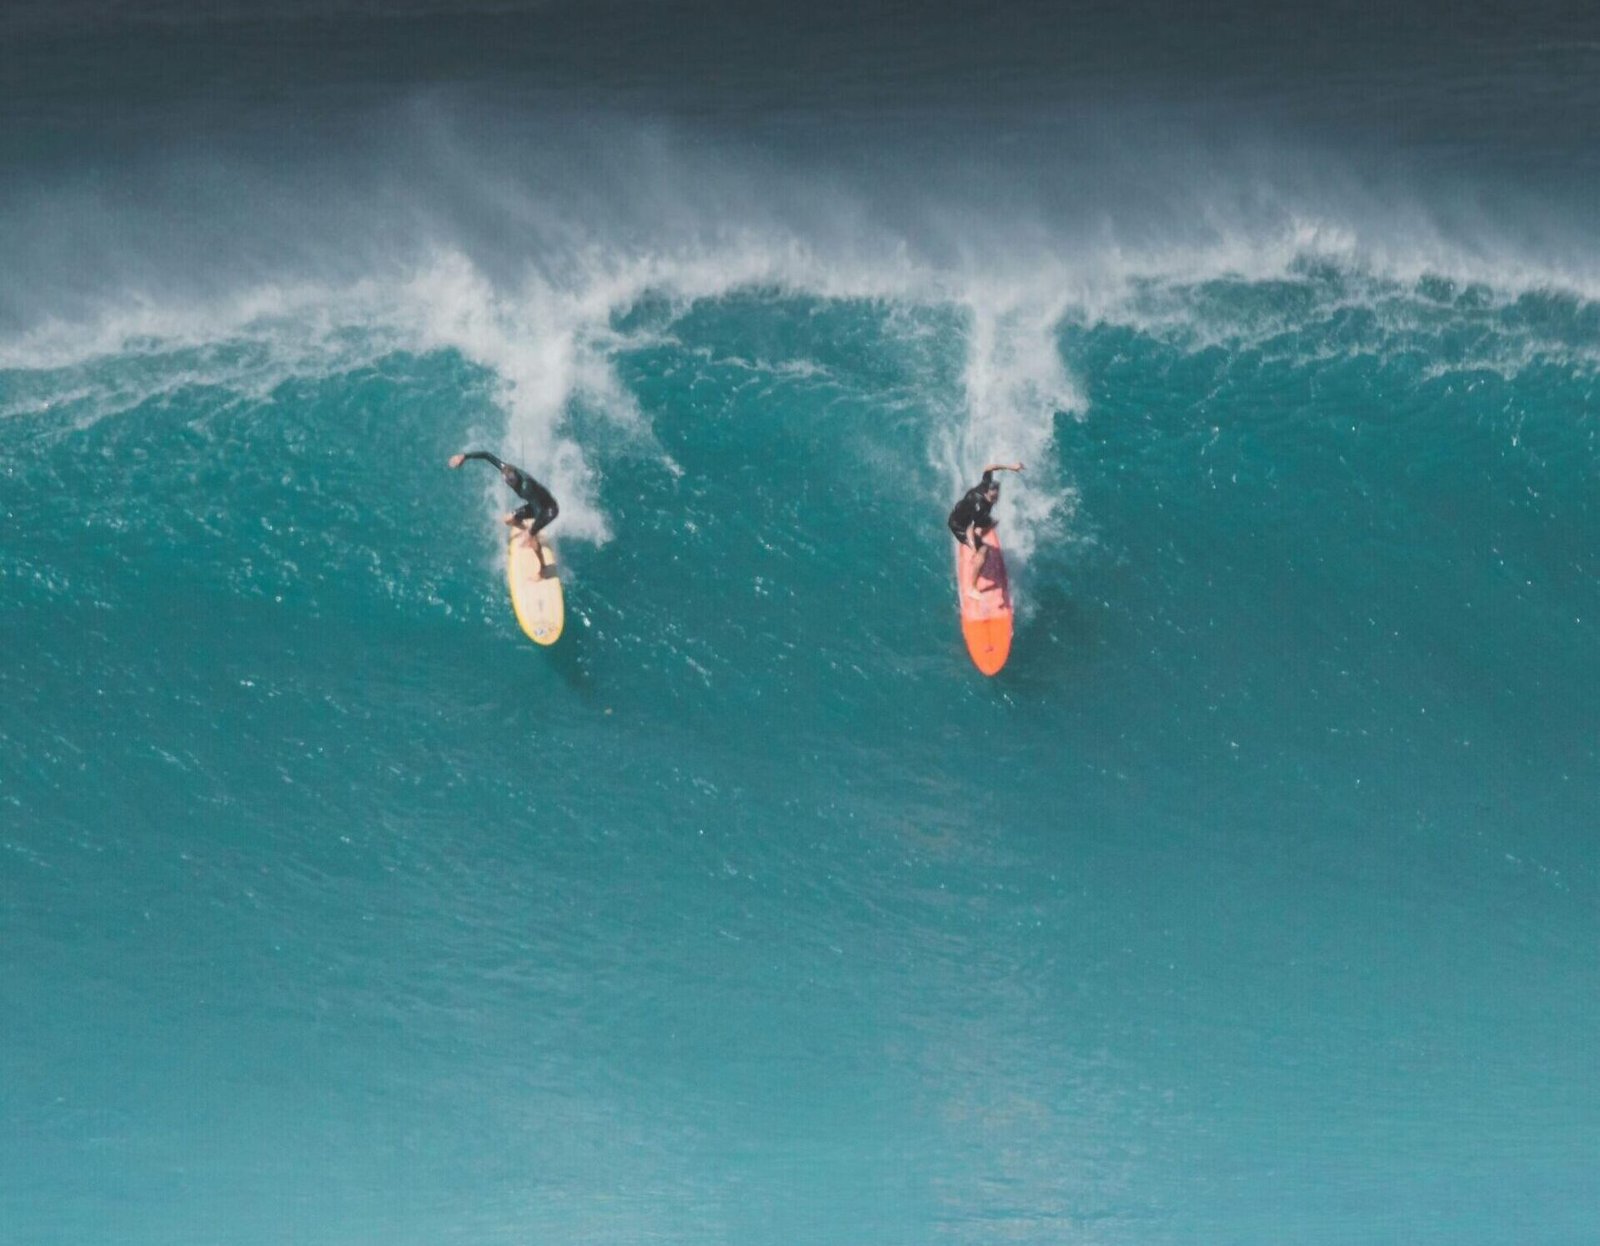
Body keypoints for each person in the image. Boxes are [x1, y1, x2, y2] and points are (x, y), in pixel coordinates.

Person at [448, 450, 559, 570]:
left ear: (516, 475)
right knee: (508, 520)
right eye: (508, 481)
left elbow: (540, 511)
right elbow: (486, 455)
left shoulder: (526, 488)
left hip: (548, 510)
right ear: (504, 476)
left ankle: (543, 567)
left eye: (513, 480)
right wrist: (464, 456)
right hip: (536, 504)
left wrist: (532, 532)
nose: (512, 484)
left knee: (531, 538)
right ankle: (528, 532)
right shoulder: (505, 468)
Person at [948, 462, 1023, 597]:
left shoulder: (985, 483)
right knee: (984, 551)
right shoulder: (979, 507)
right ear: (987, 493)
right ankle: (972, 589)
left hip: (963, 513)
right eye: (993, 497)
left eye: (997, 496)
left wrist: (1012, 467)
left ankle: (978, 544)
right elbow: (970, 530)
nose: (995, 499)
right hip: (959, 526)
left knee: (992, 523)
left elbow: (989, 467)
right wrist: (974, 547)